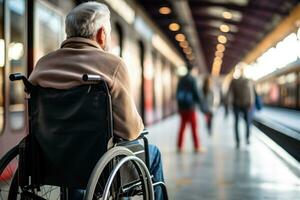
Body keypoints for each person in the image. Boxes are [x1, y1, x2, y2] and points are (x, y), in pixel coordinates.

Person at [29, 2, 164, 199]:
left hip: (51, 158)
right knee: (153, 153)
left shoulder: (43, 64)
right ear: (101, 34)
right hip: (99, 163)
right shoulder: (112, 65)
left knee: (77, 154)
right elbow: (130, 131)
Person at [176, 66, 204, 152]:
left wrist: (179, 106)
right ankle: (197, 146)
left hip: (182, 108)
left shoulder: (181, 79)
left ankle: (179, 146)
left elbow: (177, 93)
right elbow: (196, 93)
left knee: (182, 127)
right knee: (194, 127)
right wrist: (201, 103)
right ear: (192, 70)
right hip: (190, 107)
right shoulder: (192, 79)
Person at [227, 68, 255, 148]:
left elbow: (230, 93)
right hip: (246, 104)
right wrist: (251, 103)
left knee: (236, 123)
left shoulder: (234, 81)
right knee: (247, 122)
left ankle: (238, 141)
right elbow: (250, 93)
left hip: (236, 104)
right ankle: (247, 138)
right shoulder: (247, 80)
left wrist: (229, 103)